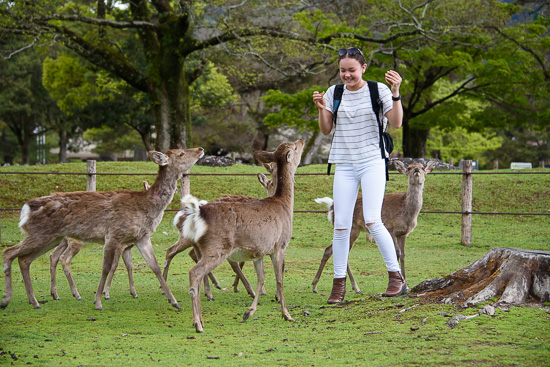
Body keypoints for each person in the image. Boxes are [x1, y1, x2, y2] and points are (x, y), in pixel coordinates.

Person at [312, 47, 405, 304]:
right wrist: (321, 108)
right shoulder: (334, 92)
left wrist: (396, 94)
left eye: (352, 70)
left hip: (372, 161)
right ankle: (338, 285)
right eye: (343, 70)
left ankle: (396, 279)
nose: (346, 75)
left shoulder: (379, 90)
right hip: (344, 163)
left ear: (363, 68)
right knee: (341, 225)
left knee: (373, 220)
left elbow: (396, 123)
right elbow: (325, 130)